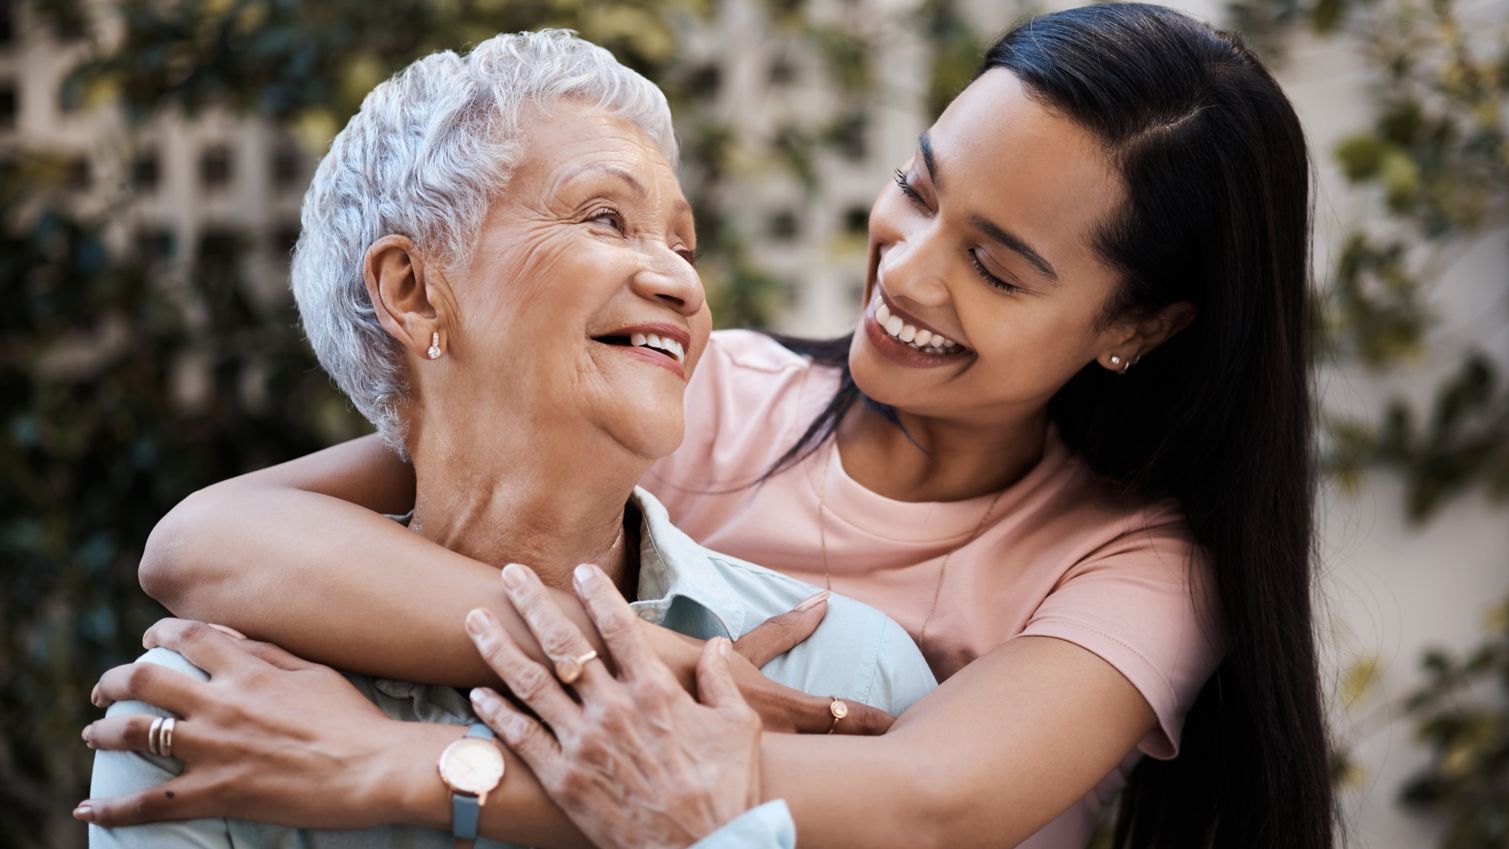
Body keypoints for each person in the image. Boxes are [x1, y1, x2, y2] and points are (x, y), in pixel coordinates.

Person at [83, 4, 1338, 848]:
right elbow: (217, 537)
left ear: (1140, 327)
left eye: (999, 271)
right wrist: (671, 665)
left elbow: (922, 790)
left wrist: (409, 771)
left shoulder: (1132, 565)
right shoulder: (708, 391)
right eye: (916, 190)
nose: (908, 275)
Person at [80, 29, 936, 849]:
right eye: (604, 218)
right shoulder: (207, 711)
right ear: (413, 292)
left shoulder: (844, 675)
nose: (680, 279)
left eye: (683, 242)